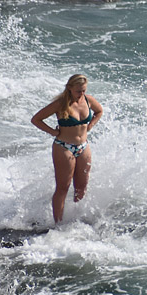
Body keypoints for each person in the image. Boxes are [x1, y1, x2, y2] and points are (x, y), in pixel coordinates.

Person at [30, 74, 103, 223]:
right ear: (69, 88)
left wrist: (90, 125)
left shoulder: (88, 100)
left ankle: (77, 221)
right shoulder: (60, 104)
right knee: (63, 188)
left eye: (83, 90)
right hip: (64, 147)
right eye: (78, 91)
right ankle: (58, 224)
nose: (81, 94)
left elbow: (99, 111)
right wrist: (53, 132)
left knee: (81, 188)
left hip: (84, 146)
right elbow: (36, 119)